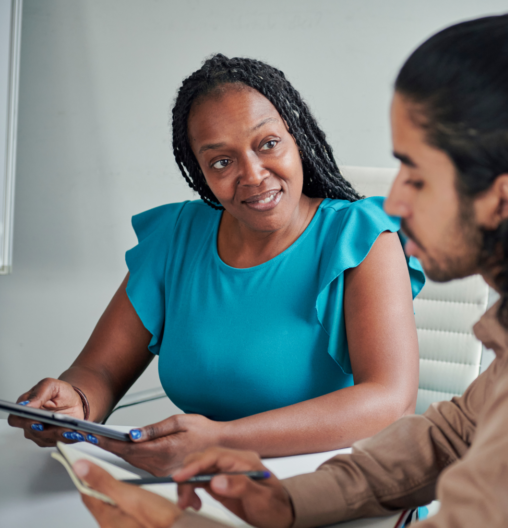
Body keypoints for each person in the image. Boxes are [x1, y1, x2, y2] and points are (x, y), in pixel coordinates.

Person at [73, 9, 508, 528]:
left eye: (415, 172)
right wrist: (290, 502)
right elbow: (450, 433)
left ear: (502, 197)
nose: (397, 199)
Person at [8, 54, 424, 476]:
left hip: (331, 493)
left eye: (268, 144)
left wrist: (221, 441)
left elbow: (391, 400)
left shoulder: (360, 239)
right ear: (199, 172)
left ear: (297, 138)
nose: (253, 175)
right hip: (196, 491)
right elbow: (99, 370)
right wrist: (73, 401)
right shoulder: (176, 237)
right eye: (221, 162)